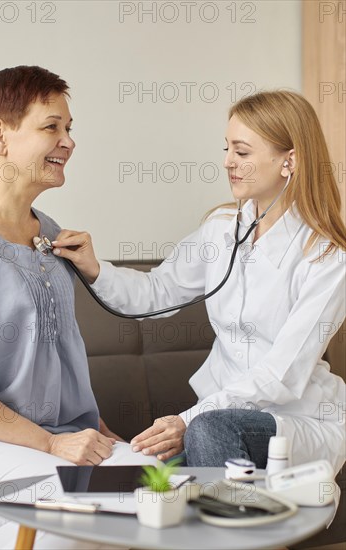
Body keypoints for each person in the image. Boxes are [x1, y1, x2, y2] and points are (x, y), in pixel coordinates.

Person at [0, 66, 156, 549]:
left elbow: (54, 358)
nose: (68, 141)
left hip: (52, 438)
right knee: (83, 509)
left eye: (69, 129)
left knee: (157, 483)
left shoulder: (48, 231)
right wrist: (50, 443)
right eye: (52, 127)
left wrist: (95, 431)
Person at [52, 90, 346, 475]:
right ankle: (246, 522)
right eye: (227, 149)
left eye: (242, 152)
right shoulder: (222, 229)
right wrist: (94, 268)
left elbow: (282, 375)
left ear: (289, 160)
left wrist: (189, 419)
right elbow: (156, 293)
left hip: (297, 422)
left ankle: (236, 526)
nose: (228, 163)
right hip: (215, 424)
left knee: (207, 429)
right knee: (140, 471)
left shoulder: (327, 257)